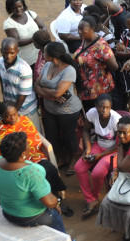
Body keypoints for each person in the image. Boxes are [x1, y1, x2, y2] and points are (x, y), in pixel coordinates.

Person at [0, 103, 68, 207]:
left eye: (15, 114)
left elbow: (35, 140)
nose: (13, 118)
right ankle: (33, 203)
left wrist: (26, 154)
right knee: (21, 181)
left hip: (33, 155)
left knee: (50, 170)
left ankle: (56, 197)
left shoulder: (24, 120)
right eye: (8, 116)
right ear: (1, 116)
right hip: (12, 162)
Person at [0, 132, 66, 232]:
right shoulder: (32, 172)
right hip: (31, 217)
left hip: (8, 212)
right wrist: (56, 202)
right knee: (54, 214)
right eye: (27, 143)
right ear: (23, 154)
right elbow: (49, 202)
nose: (29, 144)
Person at [33, 42, 82, 172]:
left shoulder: (69, 70)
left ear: (52, 55)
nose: (43, 54)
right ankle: (60, 158)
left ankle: (73, 158)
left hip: (68, 111)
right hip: (50, 110)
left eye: (45, 52)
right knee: (52, 137)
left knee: (69, 137)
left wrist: (45, 92)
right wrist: (51, 96)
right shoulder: (47, 65)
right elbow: (36, 86)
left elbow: (58, 93)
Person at [76, 94, 121, 218]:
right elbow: (85, 130)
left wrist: (100, 156)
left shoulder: (115, 119)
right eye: (101, 107)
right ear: (96, 106)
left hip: (113, 150)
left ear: (111, 107)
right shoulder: (91, 113)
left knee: (97, 172)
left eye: (107, 107)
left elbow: (119, 144)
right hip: (98, 145)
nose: (104, 110)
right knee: (79, 167)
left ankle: (94, 197)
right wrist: (88, 148)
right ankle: (91, 199)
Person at [74, 16, 117, 111]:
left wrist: (99, 72)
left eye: (83, 30)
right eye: (79, 29)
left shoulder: (101, 46)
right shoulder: (85, 39)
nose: (80, 32)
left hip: (98, 92)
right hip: (86, 90)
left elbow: (114, 66)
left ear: (92, 29)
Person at [0, 37, 40, 131]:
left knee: (33, 136)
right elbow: (1, 79)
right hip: (11, 109)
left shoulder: (24, 69)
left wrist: (13, 114)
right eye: (5, 52)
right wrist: (6, 101)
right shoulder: (0, 62)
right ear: (1, 51)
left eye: (12, 53)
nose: (8, 56)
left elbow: (23, 95)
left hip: (26, 109)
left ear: (17, 51)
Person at [3, 0, 45, 67]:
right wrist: (36, 38)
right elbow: (16, 42)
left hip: (39, 56)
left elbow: (43, 26)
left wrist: (44, 33)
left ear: (23, 5)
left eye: (20, 6)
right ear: (10, 9)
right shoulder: (9, 24)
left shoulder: (31, 14)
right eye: (14, 8)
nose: (18, 9)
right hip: (25, 60)